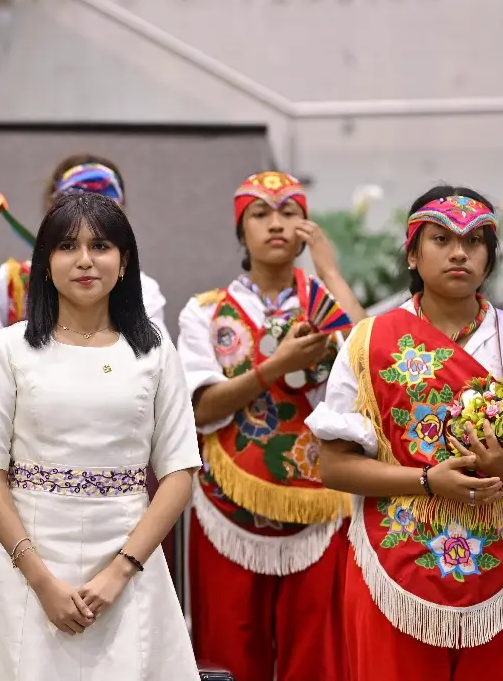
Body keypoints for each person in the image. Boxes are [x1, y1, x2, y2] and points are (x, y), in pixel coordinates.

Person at [305, 186, 503, 681]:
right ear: (412, 254)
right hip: (396, 558)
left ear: (490, 257)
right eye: (441, 239)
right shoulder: (370, 342)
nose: (460, 252)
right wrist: (426, 481)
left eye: (474, 241)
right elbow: (332, 465)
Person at [0, 192, 202, 680]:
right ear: (44, 264)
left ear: (124, 263)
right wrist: (41, 581)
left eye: (101, 246)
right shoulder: (8, 348)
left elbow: (178, 473)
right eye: (67, 247)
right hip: (25, 566)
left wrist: (120, 571)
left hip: (129, 567)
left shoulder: (154, 351)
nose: (84, 260)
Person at [176, 171, 367, 681]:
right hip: (227, 498)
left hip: (321, 497)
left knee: (320, 654)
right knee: (229, 649)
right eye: (260, 213)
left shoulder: (325, 305)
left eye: (288, 212)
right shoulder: (204, 312)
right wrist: (272, 368)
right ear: (242, 231)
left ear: (305, 225)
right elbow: (198, 408)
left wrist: (328, 269)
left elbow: (368, 363)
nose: (276, 223)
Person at [0, 154, 168, 376]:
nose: (85, 259)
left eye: (101, 240)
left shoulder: (141, 290)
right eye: (70, 241)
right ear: (52, 217)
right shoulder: (13, 285)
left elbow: (156, 372)